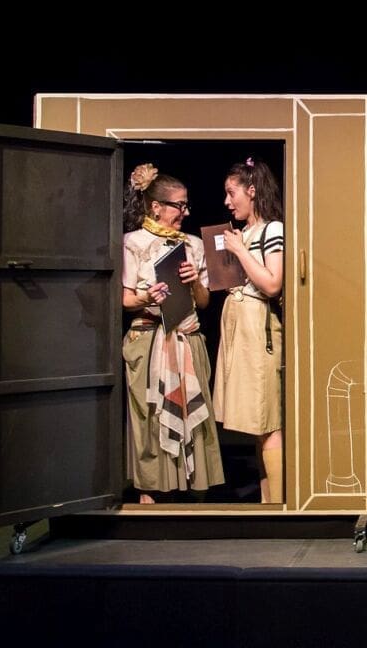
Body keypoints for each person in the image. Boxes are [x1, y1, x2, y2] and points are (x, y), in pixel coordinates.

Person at [121, 163, 224, 504]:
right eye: (180, 205)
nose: (186, 212)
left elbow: (204, 302)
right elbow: (124, 299)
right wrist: (147, 297)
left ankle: (194, 484)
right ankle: (149, 489)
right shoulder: (133, 243)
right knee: (151, 415)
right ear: (156, 207)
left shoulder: (193, 244)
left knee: (194, 414)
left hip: (187, 336)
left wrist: (195, 282)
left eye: (186, 205)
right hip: (149, 338)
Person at [212, 156, 286, 504]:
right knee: (257, 426)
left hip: (259, 329)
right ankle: (266, 503)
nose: (227, 201)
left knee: (267, 420)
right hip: (238, 327)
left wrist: (240, 251)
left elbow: (272, 284)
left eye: (232, 193)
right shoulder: (246, 233)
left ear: (252, 191)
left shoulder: (273, 230)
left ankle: (280, 505)